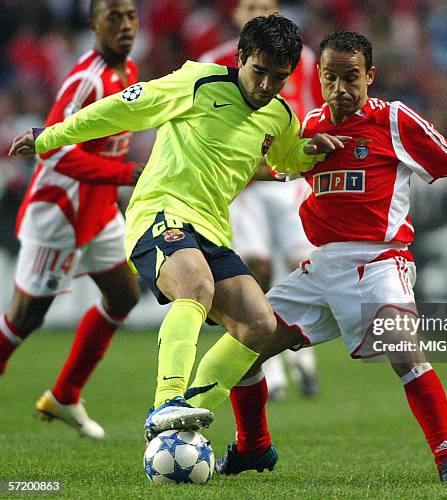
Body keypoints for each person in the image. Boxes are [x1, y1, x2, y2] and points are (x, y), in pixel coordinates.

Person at [201, 30, 447, 484]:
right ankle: (253, 449)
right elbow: (264, 167)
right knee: (244, 350)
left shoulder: (395, 120)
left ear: (371, 76)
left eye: (351, 78)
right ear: (317, 76)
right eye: (330, 78)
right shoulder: (306, 129)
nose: (340, 89)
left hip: (380, 261)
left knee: (404, 347)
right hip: (321, 267)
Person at [10, 14, 348, 441]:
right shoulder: (198, 82)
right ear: (241, 57)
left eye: (277, 78)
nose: (265, 87)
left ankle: (183, 423)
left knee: (260, 324)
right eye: (259, 72)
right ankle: (165, 402)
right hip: (159, 212)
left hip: (211, 230)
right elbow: (122, 108)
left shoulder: (279, 115)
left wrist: (310, 152)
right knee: (195, 287)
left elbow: (284, 160)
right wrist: (51, 135)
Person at [0, 0, 142, 439]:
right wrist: (126, 175)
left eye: (131, 16)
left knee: (123, 296)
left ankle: (64, 395)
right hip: (60, 212)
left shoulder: (129, 73)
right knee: (25, 319)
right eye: (113, 17)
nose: (124, 25)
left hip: (98, 212)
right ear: (92, 24)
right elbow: (55, 148)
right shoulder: (86, 80)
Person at [200, 0, 322, 401]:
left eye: (266, 6)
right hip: (246, 185)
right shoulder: (213, 63)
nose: (259, 12)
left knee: (303, 262)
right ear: (235, 15)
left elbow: (310, 112)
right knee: (257, 267)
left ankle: (304, 361)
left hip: (288, 177)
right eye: (250, 6)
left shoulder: (303, 59)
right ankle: (271, 368)